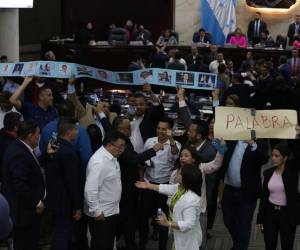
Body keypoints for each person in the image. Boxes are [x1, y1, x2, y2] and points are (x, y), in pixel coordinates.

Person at [113, 116, 164, 250]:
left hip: (133, 184)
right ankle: (129, 243)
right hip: (125, 186)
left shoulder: (125, 140)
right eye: (128, 128)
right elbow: (133, 159)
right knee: (128, 215)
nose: (131, 130)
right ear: (121, 129)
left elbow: (135, 157)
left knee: (130, 215)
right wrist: (154, 150)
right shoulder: (119, 143)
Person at [1, 120, 47, 250]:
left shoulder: (20, 147)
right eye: (38, 134)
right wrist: (37, 203)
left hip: (26, 210)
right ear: (30, 136)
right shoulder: (18, 154)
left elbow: (32, 168)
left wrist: (47, 155)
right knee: (26, 243)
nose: (39, 137)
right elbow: (19, 184)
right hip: (24, 212)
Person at [135, 165, 203, 250]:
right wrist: (149, 186)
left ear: (187, 178)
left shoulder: (191, 199)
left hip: (188, 240)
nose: (176, 173)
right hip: (179, 235)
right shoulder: (181, 188)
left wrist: (168, 223)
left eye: (180, 173)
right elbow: (167, 188)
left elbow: (188, 224)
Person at [139, 117, 181, 250]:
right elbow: (143, 158)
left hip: (164, 187)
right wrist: (141, 176)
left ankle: (162, 246)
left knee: (162, 217)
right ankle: (142, 241)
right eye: (159, 128)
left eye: (164, 129)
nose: (160, 131)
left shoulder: (175, 144)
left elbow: (175, 154)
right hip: (148, 183)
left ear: (169, 130)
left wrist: (172, 139)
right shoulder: (149, 141)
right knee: (143, 215)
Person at [221, 138, 268, 250]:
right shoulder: (231, 137)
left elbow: (264, 159)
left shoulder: (260, 140)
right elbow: (221, 153)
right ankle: (239, 245)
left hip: (247, 192)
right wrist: (216, 142)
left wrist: (253, 144)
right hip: (229, 190)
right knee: (228, 220)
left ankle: (240, 247)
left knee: (244, 225)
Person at [84, 131, 126, 250]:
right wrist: (97, 211)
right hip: (102, 214)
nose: (122, 150)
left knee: (107, 242)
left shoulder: (111, 156)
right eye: (120, 146)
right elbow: (90, 190)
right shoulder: (99, 162)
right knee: (101, 244)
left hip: (110, 211)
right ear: (109, 145)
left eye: (124, 146)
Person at [44, 118, 82, 250]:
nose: (77, 132)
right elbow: (72, 181)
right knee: (62, 234)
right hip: (65, 201)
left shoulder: (53, 145)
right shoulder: (69, 152)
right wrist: (77, 205)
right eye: (76, 129)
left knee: (57, 233)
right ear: (69, 131)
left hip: (52, 197)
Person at [256, 142, 299, 250]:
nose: (273, 158)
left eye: (277, 156)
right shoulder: (268, 173)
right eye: (272, 155)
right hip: (270, 214)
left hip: (287, 215)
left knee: (287, 246)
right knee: (269, 245)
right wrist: (259, 218)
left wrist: (297, 137)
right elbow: (264, 197)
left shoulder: (292, 172)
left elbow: (298, 154)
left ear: (285, 158)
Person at [130, 84, 164, 153]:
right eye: (136, 104)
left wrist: (150, 93)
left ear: (146, 104)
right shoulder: (129, 118)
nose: (138, 107)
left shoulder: (150, 116)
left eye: (141, 104)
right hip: (130, 157)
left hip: (146, 156)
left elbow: (158, 107)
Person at [0, 112, 22, 184]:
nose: (24, 125)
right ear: (15, 127)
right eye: (22, 123)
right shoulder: (12, 146)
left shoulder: (2, 131)